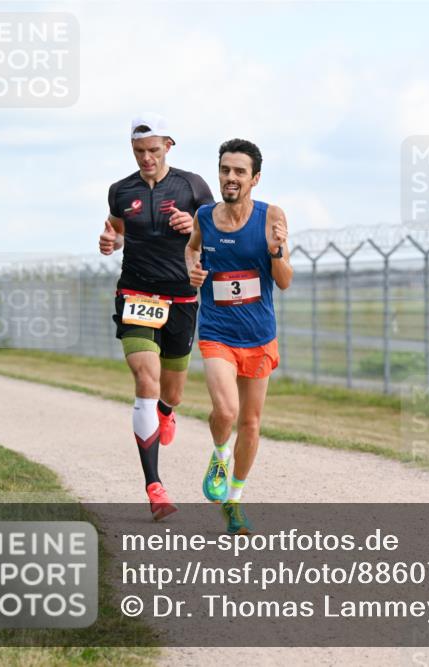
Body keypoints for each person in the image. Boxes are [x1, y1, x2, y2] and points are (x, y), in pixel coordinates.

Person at [99, 112, 214, 521]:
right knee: (145, 380)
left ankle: (166, 412)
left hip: (181, 297)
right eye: (138, 151)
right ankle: (155, 487)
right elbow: (118, 228)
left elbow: (217, 231)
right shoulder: (120, 190)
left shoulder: (192, 185)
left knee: (172, 392)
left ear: (169, 146)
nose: (146, 158)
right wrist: (111, 240)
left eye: (152, 150)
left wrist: (194, 225)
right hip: (136, 292)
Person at [185, 138, 292, 534]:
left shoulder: (271, 216)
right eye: (225, 170)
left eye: (239, 172)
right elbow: (191, 250)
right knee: (226, 411)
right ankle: (219, 455)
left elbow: (284, 281)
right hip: (217, 331)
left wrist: (276, 252)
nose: (230, 177)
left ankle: (234, 501)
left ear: (254, 179)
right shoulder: (204, 216)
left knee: (250, 422)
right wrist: (193, 270)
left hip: (259, 335)